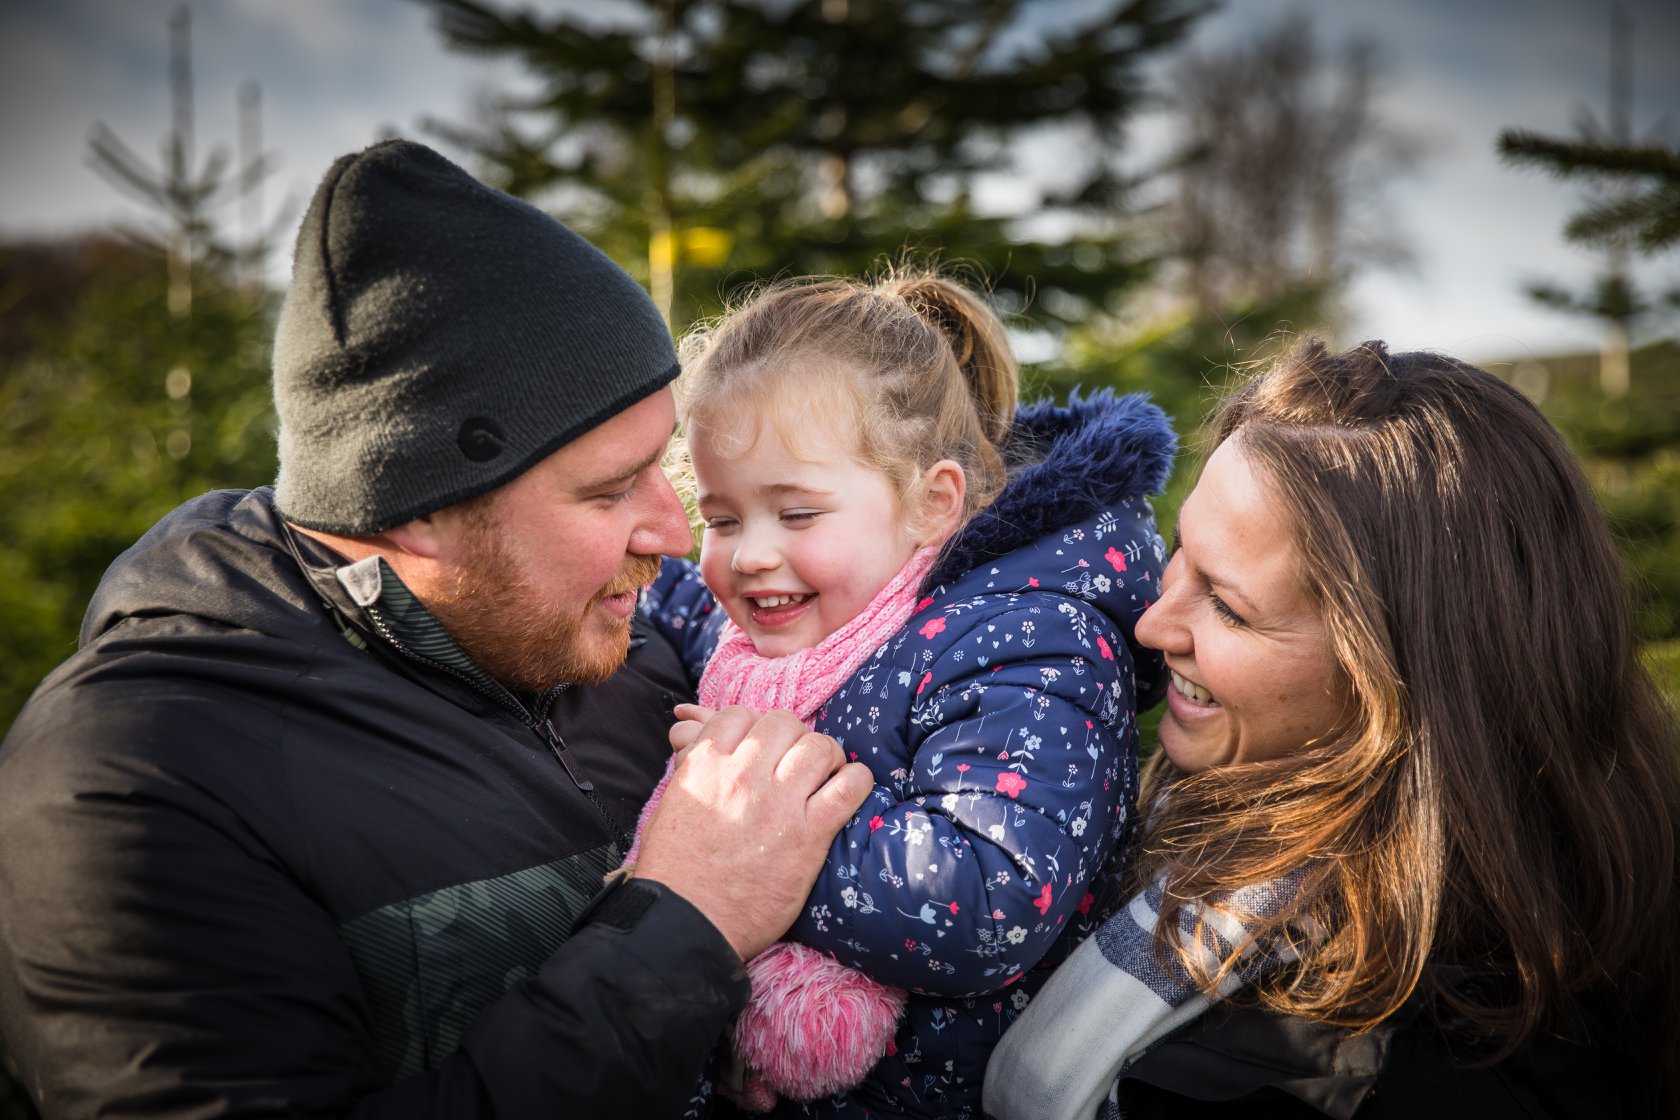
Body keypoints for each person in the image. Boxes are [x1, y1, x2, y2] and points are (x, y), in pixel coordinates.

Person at [0, 139, 872, 1119]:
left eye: (658, 465)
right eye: (608, 489)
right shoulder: (133, 786)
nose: (673, 534)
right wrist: (685, 924)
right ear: (415, 504)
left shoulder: (626, 655)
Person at [984, 338, 1680, 1119]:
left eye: (1227, 605)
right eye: (1181, 552)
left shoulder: (1374, 1071)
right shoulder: (1183, 842)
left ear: (1402, 675)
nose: (1151, 625)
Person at [635, 275, 1177, 1118]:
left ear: (932, 503)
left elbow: (992, 896)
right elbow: (678, 601)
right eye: (725, 518)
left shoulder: (1026, 640)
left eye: (797, 512)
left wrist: (756, 839)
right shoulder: (785, 629)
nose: (746, 556)